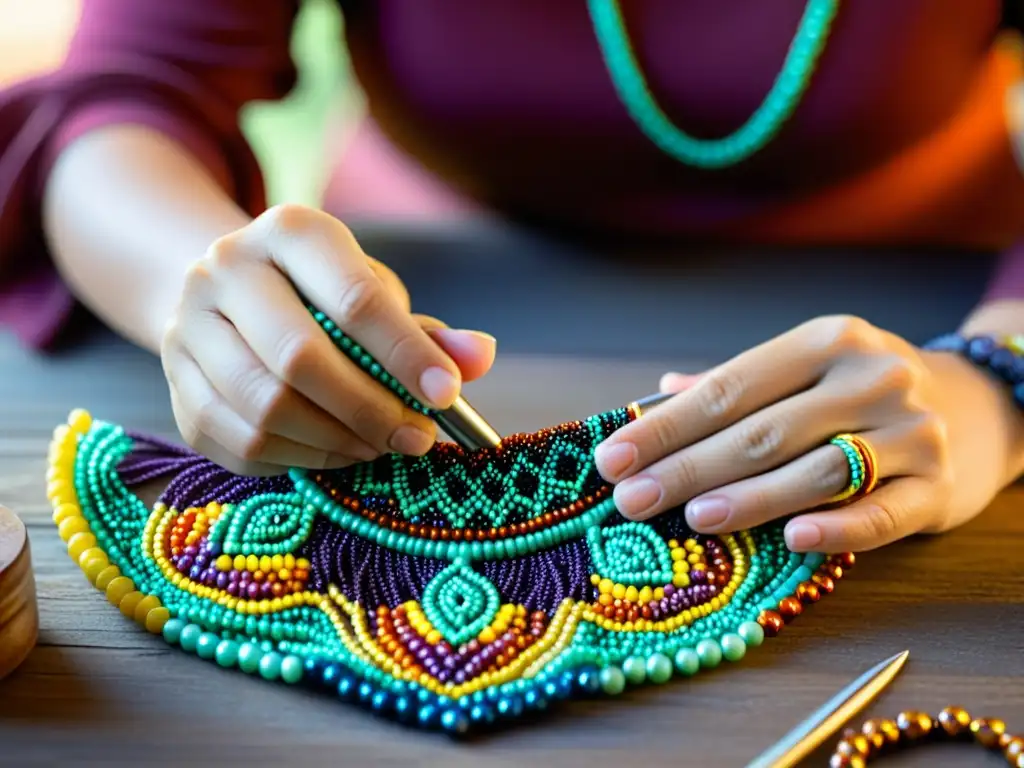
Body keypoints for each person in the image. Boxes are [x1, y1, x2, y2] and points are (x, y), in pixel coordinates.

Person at [0, 1, 1022, 555]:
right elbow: (125, 100)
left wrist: (994, 381)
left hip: (930, 315)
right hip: (427, 287)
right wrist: (197, 287)